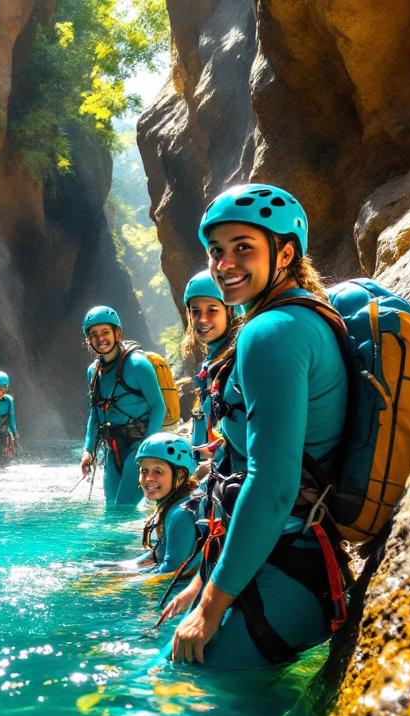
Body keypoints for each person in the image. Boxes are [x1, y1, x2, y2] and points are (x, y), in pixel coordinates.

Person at [159, 183, 350, 669]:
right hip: (279, 560)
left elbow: (271, 486)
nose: (225, 263)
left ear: (284, 253)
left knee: (179, 691)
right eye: (216, 250)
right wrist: (204, 581)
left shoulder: (270, 333)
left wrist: (210, 608)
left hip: (285, 566)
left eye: (243, 247)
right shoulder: (297, 317)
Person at [78, 306, 167, 507]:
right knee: (111, 508)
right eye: (94, 334)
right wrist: (88, 451)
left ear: (117, 333)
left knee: (125, 506)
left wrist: (147, 450)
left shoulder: (138, 365)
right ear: (88, 339)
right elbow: (95, 413)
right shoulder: (93, 371)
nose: (100, 338)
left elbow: (158, 407)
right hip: (112, 448)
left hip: (138, 445)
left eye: (105, 332)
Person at [180, 270, 238, 459]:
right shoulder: (212, 363)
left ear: (230, 311)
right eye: (195, 311)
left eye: (212, 310)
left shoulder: (237, 361)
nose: (202, 319)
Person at [133, 433, 201, 578]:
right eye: (144, 470)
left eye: (158, 471)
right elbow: (159, 553)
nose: (149, 478)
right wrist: (121, 569)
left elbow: (172, 570)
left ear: (180, 476)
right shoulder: (174, 505)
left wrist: (117, 585)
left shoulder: (182, 513)